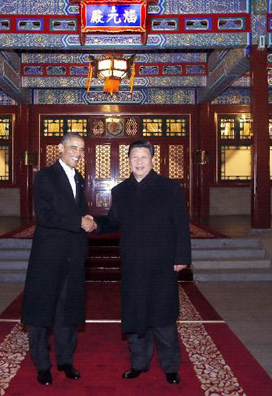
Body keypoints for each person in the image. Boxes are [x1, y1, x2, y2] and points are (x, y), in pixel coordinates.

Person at [92, 140, 191, 385]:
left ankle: (170, 367)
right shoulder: (120, 191)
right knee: (136, 314)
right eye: (134, 157)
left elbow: (181, 225)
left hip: (162, 262)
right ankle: (138, 363)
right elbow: (113, 221)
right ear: (128, 161)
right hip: (133, 263)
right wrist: (94, 224)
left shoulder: (169, 188)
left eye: (143, 157)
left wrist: (181, 257)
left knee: (163, 315)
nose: (139, 161)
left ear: (152, 160)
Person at [21, 133, 96, 386]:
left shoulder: (79, 178)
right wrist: (78, 221)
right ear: (60, 148)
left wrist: (87, 220)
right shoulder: (45, 176)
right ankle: (42, 365)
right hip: (48, 255)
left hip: (73, 255)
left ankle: (65, 360)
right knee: (41, 311)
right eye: (73, 147)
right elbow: (45, 215)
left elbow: (76, 211)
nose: (78, 153)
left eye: (82, 149)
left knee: (68, 310)